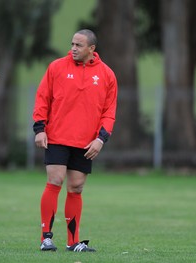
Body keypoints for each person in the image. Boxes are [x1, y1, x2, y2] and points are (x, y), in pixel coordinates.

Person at [33, 29, 118, 252]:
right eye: (72, 44)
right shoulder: (56, 67)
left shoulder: (107, 74)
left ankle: (73, 242)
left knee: (77, 187)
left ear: (92, 49)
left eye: (79, 45)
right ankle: (46, 238)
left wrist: (101, 139)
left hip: (86, 142)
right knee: (55, 180)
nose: (73, 48)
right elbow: (42, 98)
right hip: (57, 136)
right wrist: (40, 128)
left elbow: (109, 112)